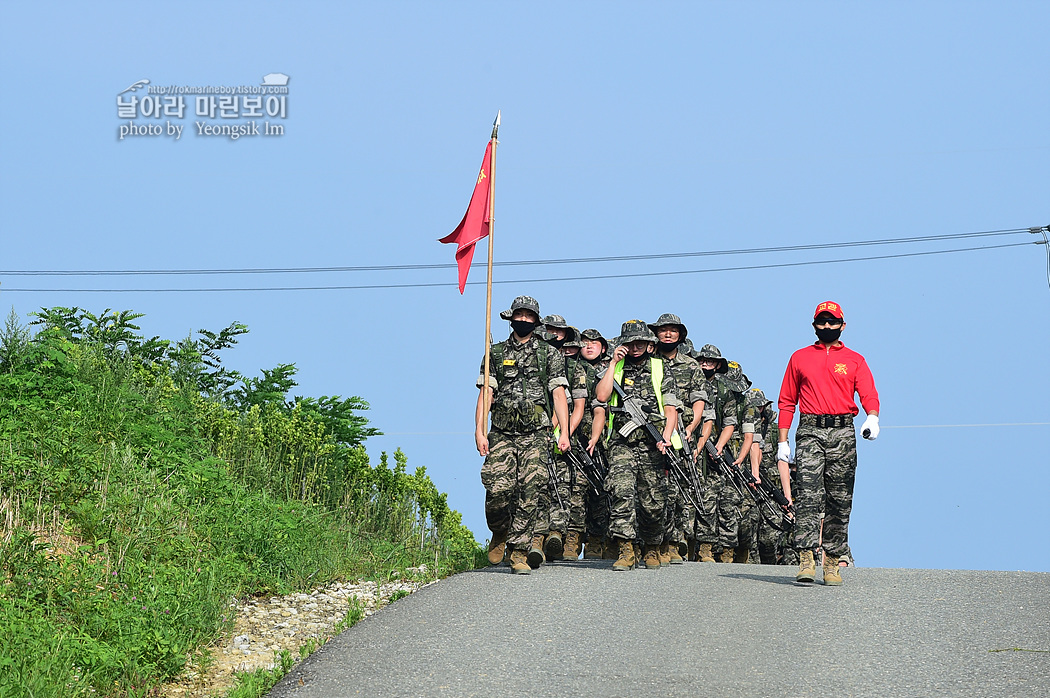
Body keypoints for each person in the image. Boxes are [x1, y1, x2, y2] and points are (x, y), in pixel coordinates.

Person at [777, 301, 880, 585]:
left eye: (832, 322)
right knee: (808, 495)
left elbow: (869, 392)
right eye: (821, 322)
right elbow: (787, 401)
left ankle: (832, 560)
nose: (827, 326)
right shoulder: (799, 357)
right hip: (810, 429)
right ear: (814, 325)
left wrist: (872, 417)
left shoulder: (855, 359)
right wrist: (782, 441)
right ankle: (806, 558)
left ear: (842, 325)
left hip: (843, 432)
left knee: (839, 498)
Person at [475, 296, 571, 575]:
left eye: (530, 317)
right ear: (512, 318)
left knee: (531, 493)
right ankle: (500, 531)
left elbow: (558, 394)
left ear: (536, 321)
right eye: (520, 315)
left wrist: (563, 432)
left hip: (536, 434)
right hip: (502, 433)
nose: (524, 320)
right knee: (498, 491)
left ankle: (518, 552)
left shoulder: (548, 354)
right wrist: (479, 431)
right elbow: (485, 394)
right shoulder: (493, 353)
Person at [595, 320, 680, 571]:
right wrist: (612, 364)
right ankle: (626, 548)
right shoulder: (616, 367)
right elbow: (601, 396)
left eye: (640, 342)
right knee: (622, 493)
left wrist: (665, 436)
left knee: (652, 501)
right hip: (622, 443)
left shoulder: (660, 368)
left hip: (654, 443)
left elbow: (671, 409)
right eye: (630, 343)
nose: (635, 347)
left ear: (648, 343)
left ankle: (652, 547)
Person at [648, 313, 707, 565]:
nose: (668, 334)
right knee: (652, 488)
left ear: (680, 335)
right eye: (663, 330)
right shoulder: (649, 361)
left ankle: (672, 542)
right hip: (651, 430)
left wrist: (691, 427)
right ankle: (652, 541)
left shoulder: (691, 366)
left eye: (673, 330)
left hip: (682, 433)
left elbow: (699, 401)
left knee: (678, 490)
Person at [692, 344, 739, 563]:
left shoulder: (724, 390)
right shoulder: (691, 380)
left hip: (715, 453)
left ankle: (708, 549)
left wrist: (718, 446)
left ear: (718, 365)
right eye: (702, 360)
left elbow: (730, 422)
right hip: (690, 445)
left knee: (714, 501)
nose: (705, 364)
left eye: (710, 361)